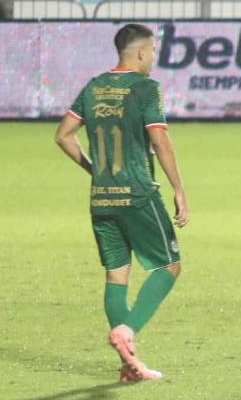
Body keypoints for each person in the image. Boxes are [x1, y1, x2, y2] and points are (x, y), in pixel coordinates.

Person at [54, 24, 188, 382]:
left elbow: (63, 136)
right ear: (142, 53)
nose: (154, 59)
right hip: (139, 193)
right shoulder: (146, 88)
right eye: (153, 52)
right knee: (169, 266)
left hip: (101, 198)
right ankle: (128, 330)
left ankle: (129, 365)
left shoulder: (95, 85)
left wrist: (94, 170)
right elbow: (159, 140)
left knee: (116, 275)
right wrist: (178, 188)